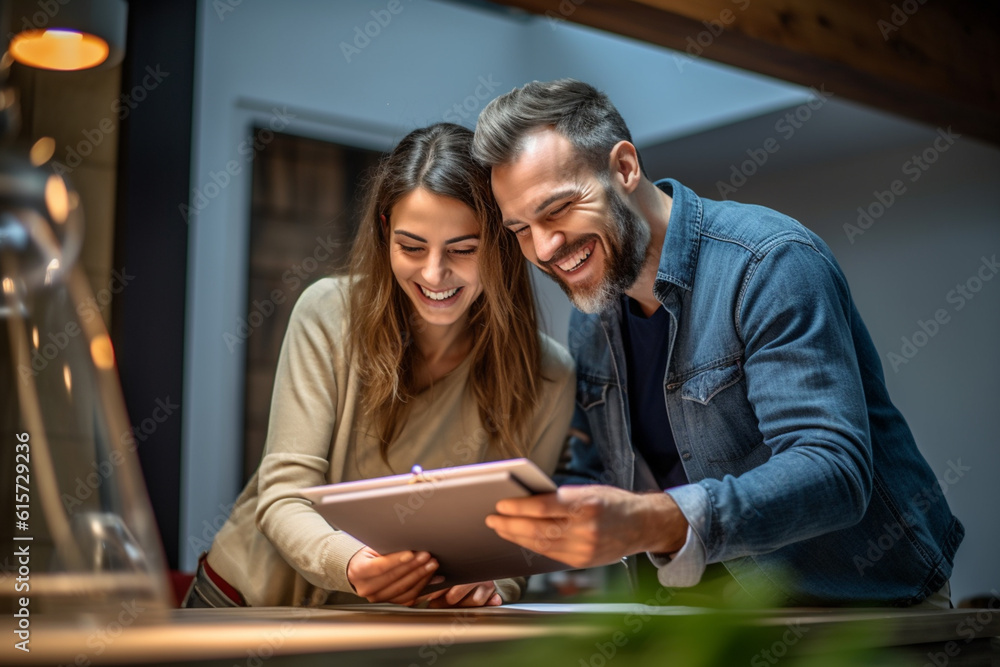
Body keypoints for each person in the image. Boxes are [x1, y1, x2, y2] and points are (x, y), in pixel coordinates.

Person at [474, 79, 964, 607]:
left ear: (623, 168)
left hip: (865, 612)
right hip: (715, 622)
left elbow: (833, 470)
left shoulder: (768, 262)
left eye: (560, 208)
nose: (544, 247)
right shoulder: (593, 317)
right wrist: (489, 568)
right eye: (520, 229)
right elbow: (593, 476)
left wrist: (658, 521)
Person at [183, 123, 575, 609]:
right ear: (385, 229)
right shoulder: (327, 313)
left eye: (463, 250)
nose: (434, 274)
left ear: (500, 242)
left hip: (379, 630)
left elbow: (518, 541)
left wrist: (491, 585)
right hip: (245, 603)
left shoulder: (549, 375)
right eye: (412, 247)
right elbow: (283, 494)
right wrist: (351, 565)